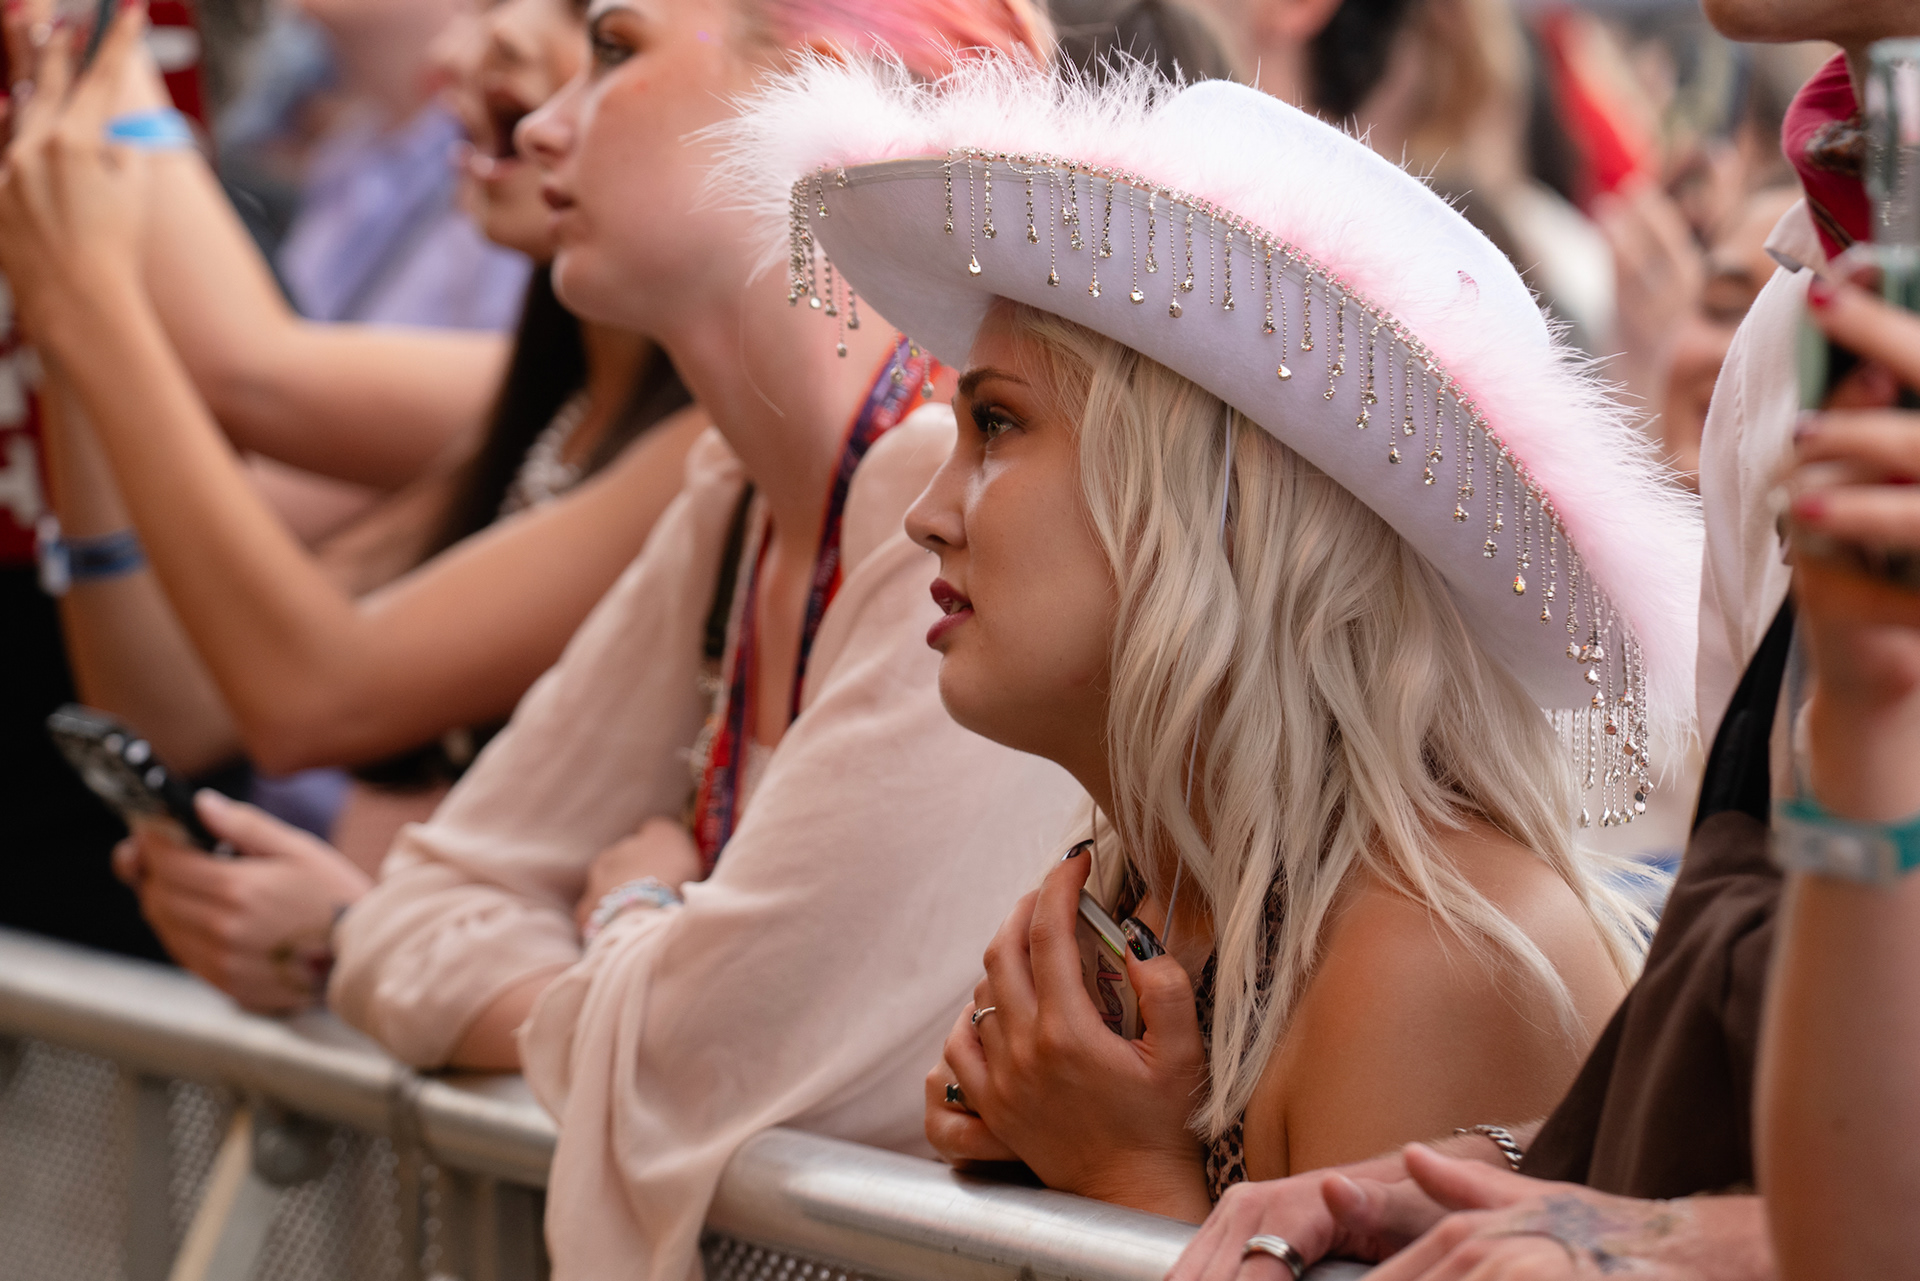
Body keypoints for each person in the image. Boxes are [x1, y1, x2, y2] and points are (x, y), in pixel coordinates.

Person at [720, 54, 1698, 1222]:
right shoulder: (1169, 900)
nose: (926, 515)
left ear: (1219, 513)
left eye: (997, 426)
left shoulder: (1433, 955)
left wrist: (1120, 1183)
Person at [316, 3, 1083, 1280]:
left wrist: (624, 912)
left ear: (812, 98)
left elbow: (717, 1057)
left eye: (614, 50)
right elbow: (412, 920)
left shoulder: (941, 509)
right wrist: (655, 979)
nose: (546, 122)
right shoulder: (732, 498)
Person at [1164, 1, 1916, 1275]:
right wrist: (1549, 1178)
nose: (934, 509)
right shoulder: (1794, 330)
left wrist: (1692, 1237)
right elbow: (1792, 1005)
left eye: (1004, 424)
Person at [0, 0, 703, 1009]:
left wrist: (98, 97)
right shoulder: (551, 417)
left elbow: (255, 384)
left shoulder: (707, 444)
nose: (474, 47)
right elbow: (171, 706)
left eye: (605, 38)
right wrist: (66, 322)